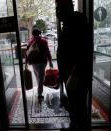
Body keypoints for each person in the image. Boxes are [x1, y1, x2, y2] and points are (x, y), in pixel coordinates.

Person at [55, 0, 92, 130]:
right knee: (75, 107)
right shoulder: (67, 23)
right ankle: (74, 126)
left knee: (78, 108)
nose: (58, 11)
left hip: (77, 76)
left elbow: (84, 51)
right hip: (71, 75)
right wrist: (61, 74)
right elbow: (65, 53)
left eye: (62, 7)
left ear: (71, 7)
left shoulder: (77, 22)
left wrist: (74, 76)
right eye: (57, 8)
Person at [25, 28, 53, 101]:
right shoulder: (43, 41)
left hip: (34, 62)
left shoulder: (30, 42)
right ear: (39, 33)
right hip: (42, 62)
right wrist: (50, 61)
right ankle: (40, 93)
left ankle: (39, 91)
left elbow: (27, 53)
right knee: (41, 77)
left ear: (32, 34)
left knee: (38, 76)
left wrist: (26, 63)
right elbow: (47, 52)